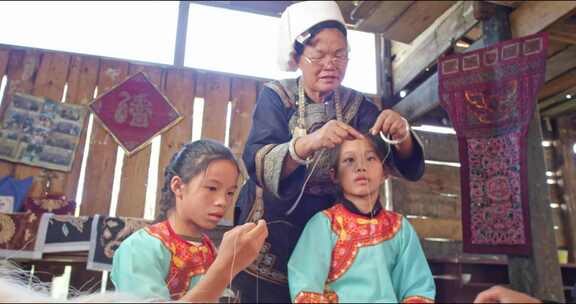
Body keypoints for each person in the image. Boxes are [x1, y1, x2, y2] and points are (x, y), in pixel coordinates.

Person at [232, 1, 425, 302]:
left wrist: (401, 136)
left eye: (340, 54)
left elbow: (388, 162)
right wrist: (309, 142)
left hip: (330, 233)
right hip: (271, 229)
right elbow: (256, 162)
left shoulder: (358, 106)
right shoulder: (276, 96)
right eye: (319, 55)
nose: (330, 64)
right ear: (297, 58)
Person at [111, 140, 268, 302]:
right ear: (178, 186)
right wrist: (225, 268)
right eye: (212, 188)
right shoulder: (140, 248)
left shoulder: (209, 249)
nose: (223, 201)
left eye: (230, 193)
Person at [287, 135, 435, 303]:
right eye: (349, 160)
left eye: (370, 158)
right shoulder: (324, 225)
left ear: (385, 172)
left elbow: (418, 289)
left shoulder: (399, 228)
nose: (361, 167)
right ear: (334, 175)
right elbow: (306, 287)